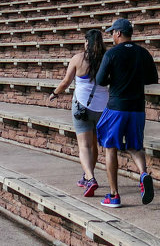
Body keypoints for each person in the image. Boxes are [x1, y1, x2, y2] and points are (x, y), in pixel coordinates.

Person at [93, 18, 158, 209]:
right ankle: (143, 174)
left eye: (112, 32)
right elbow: (152, 77)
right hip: (137, 108)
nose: (111, 36)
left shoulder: (112, 54)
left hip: (116, 107)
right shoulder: (143, 53)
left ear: (119, 33)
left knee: (110, 147)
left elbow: (100, 80)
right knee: (135, 146)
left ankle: (113, 195)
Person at [50, 29, 109, 198]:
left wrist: (55, 93)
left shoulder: (78, 58)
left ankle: (90, 178)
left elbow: (66, 81)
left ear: (86, 42)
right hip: (101, 107)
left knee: (84, 145)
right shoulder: (106, 58)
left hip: (81, 105)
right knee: (94, 144)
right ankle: (86, 175)